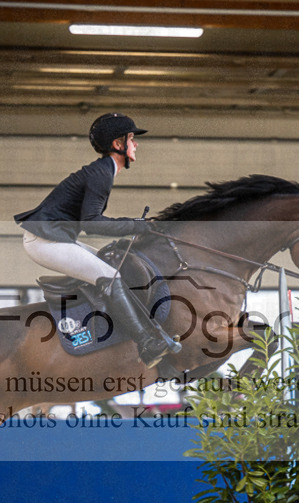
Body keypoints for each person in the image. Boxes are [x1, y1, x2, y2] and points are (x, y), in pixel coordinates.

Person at [14, 113, 181, 368]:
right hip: (44, 242)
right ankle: (146, 343)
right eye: (132, 139)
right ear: (118, 144)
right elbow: (91, 223)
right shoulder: (102, 173)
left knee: (107, 264)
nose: (136, 145)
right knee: (110, 276)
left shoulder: (103, 171)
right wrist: (139, 226)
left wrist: (137, 226)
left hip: (53, 238)